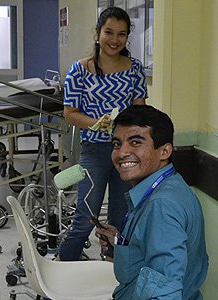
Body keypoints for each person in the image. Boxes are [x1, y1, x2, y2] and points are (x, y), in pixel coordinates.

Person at [58, 6, 147, 261]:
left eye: (121, 34)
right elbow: (70, 113)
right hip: (94, 152)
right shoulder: (80, 70)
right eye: (109, 32)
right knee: (85, 218)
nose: (114, 40)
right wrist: (97, 123)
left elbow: (139, 112)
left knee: (120, 219)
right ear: (97, 33)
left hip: (127, 153)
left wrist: (129, 128)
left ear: (127, 37)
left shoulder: (135, 69)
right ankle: (65, 268)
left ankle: (112, 275)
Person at [95, 105, 209, 299]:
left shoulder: (161, 205)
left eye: (136, 142)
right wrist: (121, 241)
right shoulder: (169, 185)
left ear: (164, 151)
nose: (122, 152)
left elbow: (165, 294)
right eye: (117, 144)